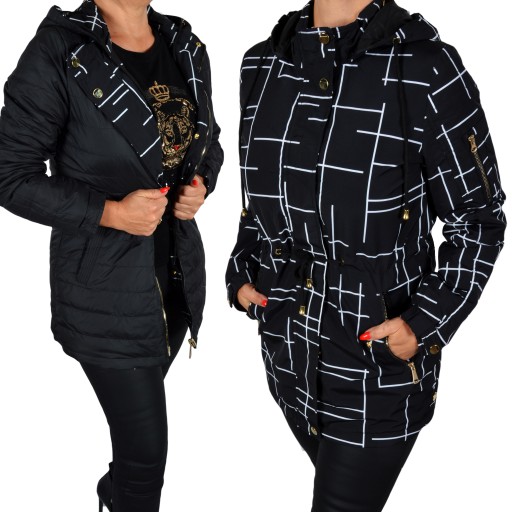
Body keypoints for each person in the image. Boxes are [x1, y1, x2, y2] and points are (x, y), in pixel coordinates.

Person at [225, 0, 506, 510]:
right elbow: (258, 203)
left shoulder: (426, 67)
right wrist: (242, 271)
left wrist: (423, 323)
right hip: (288, 354)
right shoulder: (261, 64)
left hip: (378, 366)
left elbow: (478, 218)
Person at [0, 0, 222, 510]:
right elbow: (10, 176)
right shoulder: (60, 50)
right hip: (103, 292)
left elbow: (205, 141)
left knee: (134, 442)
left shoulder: (183, 44)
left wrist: (201, 184)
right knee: (146, 457)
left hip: (175, 283)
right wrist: (110, 212)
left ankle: (112, 491)